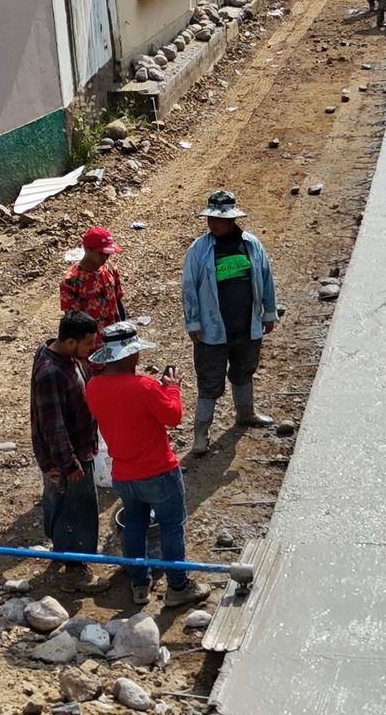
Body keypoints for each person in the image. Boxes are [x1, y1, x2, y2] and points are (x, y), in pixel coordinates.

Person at [84, 322, 208, 608]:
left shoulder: (93, 387)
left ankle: (139, 582)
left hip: (124, 474)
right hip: (159, 472)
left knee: (135, 524)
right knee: (172, 526)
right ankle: (179, 586)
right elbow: (173, 416)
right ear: (129, 355)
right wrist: (172, 389)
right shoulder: (146, 386)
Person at [181, 189, 280, 455]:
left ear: (232, 219)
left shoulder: (251, 245)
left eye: (218, 219)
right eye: (210, 218)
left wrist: (269, 313)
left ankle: (245, 413)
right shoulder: (199, 250)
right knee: (209, 382)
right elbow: (189, 289)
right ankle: (201, 435)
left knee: (244, 372)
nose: (213, 223)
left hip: (246, 327)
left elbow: (266, 278)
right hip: (212, 332)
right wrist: (193, 322)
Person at [31, 310, 105, 593]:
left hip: (65, 453)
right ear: (71, 342)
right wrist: (69, 462)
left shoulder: (58, 353)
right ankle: (75, 570)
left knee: (58, 500)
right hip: (68, 455)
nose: (91, 349)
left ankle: (60, 547)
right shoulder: (52, 373)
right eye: (88, 344)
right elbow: (53, 425)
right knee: (78, 509)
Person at [60, 225, 126, 328]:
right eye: (101, 253)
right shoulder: (71, 281)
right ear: (87, 249)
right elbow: (72, 321)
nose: (105, 257)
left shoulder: (110, 268)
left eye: (108, 253)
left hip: (115, 337)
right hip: (91, 342)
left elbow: (118, 302)